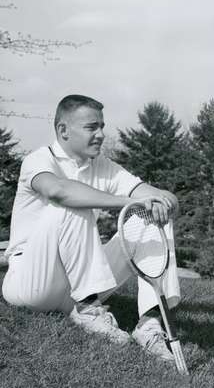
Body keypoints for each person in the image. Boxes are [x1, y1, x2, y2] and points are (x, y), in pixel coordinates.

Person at [2, 94, 182, 363]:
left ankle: (150, 323)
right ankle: (88, 310)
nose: (100, 134)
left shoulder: (103, 166)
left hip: (77, 281)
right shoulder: (38, 160)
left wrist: (164, 204)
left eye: (102, 126)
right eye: (91, 127)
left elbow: (161, 197)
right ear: (63, 130)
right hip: (32, 282)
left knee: (152, 215)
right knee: (72, 203)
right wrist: (130, 201)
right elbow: (59, 191)